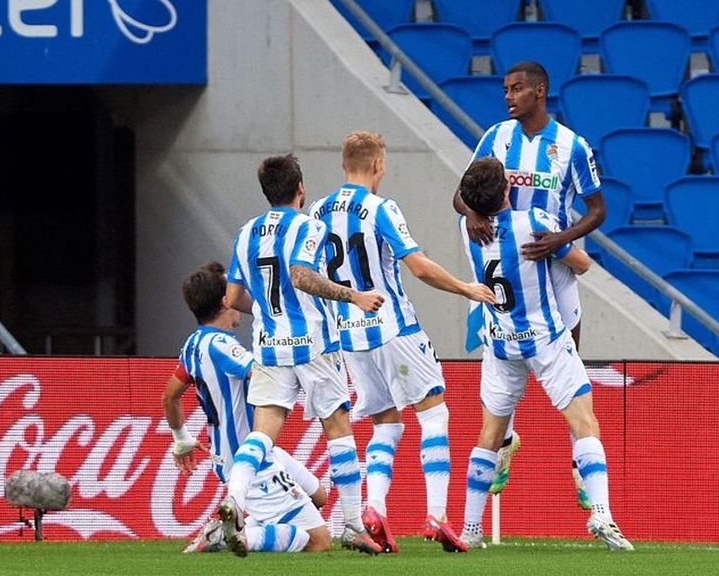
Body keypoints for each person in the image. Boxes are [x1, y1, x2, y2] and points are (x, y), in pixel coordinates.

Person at [309, 131, 496, 554]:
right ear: (378, 165)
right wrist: (467, 289)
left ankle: (374, 509)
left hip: (350, 337)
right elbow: (419, 268)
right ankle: (436, 514)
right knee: (434, 413)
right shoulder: (380, 209)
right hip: (395, 328)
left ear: (344, 165)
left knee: (386, 423)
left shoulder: (318, 211)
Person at [456, 157, 633, 552]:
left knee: (490, 435)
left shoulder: (466, 229)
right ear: (505, 190)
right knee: (585, 423)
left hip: (500, 342)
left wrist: (471, 210)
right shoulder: (533, 221)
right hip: (545, 339)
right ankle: (602, 512)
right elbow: (582, 265)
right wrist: (560, 245)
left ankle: (469, 528)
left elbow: (469, 209)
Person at [452, 60, 606, 504]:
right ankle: (502, 443)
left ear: (540, 91)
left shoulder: (571, 146)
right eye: (505, 89)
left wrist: (562, 237)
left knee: (567, 357)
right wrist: (474, 213)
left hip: (551, 261)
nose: (508, 96)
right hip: (502, 260)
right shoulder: (495, 137)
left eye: (516, 88)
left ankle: (580, 461)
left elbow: (598, 210)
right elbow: (460, 194)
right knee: (504, 351)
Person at [220, 154, 386, 556]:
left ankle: (235, 499)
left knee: (263, 434)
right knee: (338, 429)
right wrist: (354, 296)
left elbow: (232, 298)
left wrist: (263, 307)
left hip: (269, 345)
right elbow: (300, 275)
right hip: (313, 344)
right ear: (300, 189)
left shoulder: (246, 233)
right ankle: (350, 525)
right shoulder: (310, 225)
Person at [163, 261, 329, 555]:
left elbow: (170, 396)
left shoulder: (192, 345)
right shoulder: (223, 346)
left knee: (318, 495)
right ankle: (229, 539)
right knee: (318, 541)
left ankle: (234, 529)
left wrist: (181, 439)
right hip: (250, 461)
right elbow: (264, 372)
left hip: (247, 455)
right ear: (226, 301)